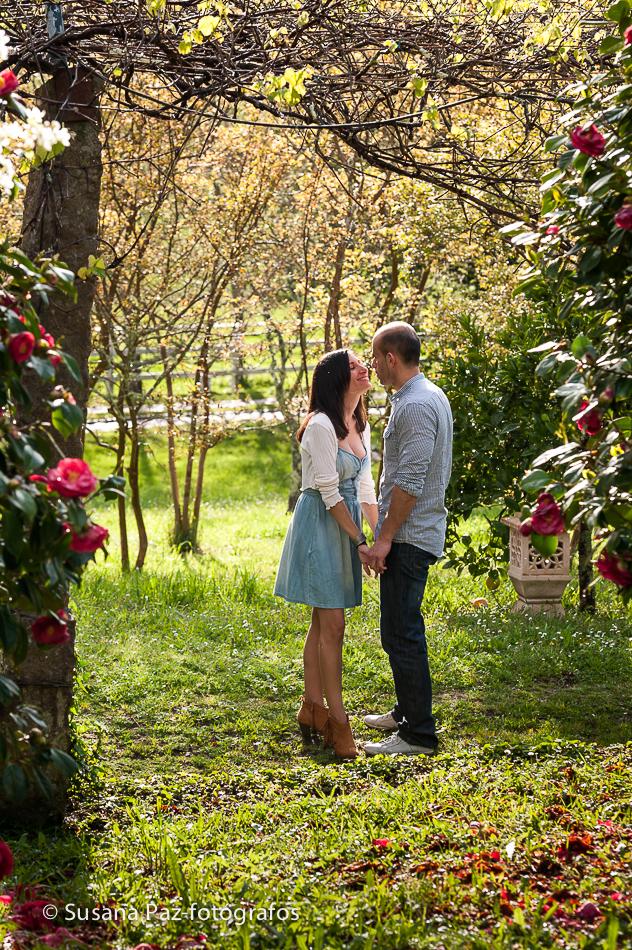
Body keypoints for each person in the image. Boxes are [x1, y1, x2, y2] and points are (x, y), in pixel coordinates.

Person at [274, 349, 378, 759]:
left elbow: (365, 486)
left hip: (348, 525)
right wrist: (360, 541)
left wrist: (379, 534)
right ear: (336, 377)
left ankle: (311, 707)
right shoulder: (319, 426)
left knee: (323, 623)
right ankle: (339, 722)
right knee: (333, 625)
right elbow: (330, 494)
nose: (362, 367)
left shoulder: (360, 424)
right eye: (353, 365)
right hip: (322, 524)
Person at [361, 322, 452, 757]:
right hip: (413, 532)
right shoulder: (425, 395)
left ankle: (418, 734)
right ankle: (405, 712)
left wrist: (385, 539)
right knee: (399, 630)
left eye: (375, 357)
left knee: (401, 633)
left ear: (391, 359)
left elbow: (411, 481)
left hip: (410, 536)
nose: (372, 365)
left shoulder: (415, 405)